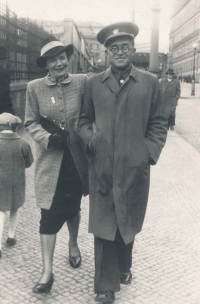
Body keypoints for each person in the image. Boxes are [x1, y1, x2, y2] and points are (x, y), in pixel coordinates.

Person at [78, 22, 168, 303]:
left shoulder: (150, 83)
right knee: (105, 224)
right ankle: (106, 287)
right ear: (106, 52)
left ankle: (124, 267)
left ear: (133, 49)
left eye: (125, 47)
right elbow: (81, 121)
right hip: (102, 168)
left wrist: (148, 153)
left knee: (127, 220)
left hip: (134, 167)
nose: (119, 52)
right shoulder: (93, 83)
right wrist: (92, 142)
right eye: (114, 48)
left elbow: (159, 122)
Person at [25, 36, 88, 293]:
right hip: (50, 163)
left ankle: (73, 244)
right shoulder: (34, 87)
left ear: (67, 59)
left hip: (76, 162)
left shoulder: (83, 83)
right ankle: (47, 272)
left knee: (73, 207)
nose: (60, 63)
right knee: (48, 214)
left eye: (62, 58)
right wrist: (48, 139)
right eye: (54, 60)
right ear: (47, 64)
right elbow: (30, 122)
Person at [0, 113, 33, 258]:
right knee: (15, 207)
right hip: (18, 181)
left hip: (1, 182)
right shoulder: (23, 143)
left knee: (0, 211)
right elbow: (29, 162)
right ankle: (11, 236)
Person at [0, 47, 14, 115]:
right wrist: (11, 113)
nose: (5, 61)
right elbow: (4, 96)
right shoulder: (3, 74)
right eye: (4, 59)